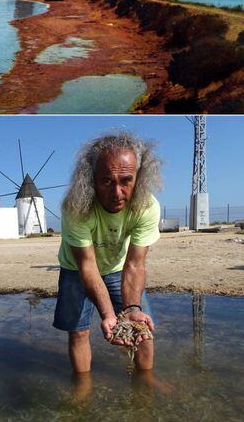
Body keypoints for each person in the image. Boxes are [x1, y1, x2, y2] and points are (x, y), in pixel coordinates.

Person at [53, 131, 162, 379]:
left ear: (139, 178)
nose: (117, 192)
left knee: (141, 327)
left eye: (126, 180)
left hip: (117, 267)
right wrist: (108, 315)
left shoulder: (147, 206)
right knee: (79, 331)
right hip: (76, 269)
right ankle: (82, 387)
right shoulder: (76, 207)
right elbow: (87, 267)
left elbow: (135, 264)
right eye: (106, 181)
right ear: (91, 179)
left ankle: (146, 383)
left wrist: (132, 307)